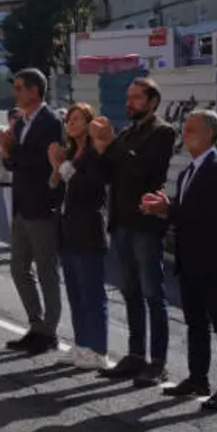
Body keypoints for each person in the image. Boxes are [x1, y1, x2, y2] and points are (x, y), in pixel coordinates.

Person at [140, 110, 217, 411]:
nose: (185, 134)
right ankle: (198, 377)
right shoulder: (187, 172)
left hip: (213, 258)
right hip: (189, 258)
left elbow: (209, 214)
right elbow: (183, 213)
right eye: (185, 128)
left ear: (210, 133)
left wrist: (168, 209)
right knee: (195, 322)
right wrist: (163, 209)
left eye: (192, 129)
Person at [91, 77, 177, 386]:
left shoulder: (163, 132)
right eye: (128, 97)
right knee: (130, 292)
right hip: (122, 222)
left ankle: (157, 361)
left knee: (153, 293)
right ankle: (135, 354)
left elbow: (142, 169)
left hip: (145, 224)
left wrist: (110, 145)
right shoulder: (126, 134)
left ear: (152, 102)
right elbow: (106, 174)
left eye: (136, 98)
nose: (129, 103)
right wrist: (101, 148)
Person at [0, 69, 64, 355]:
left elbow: (44, 163)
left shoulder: (51, 122)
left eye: (20, 87)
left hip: (42, 206)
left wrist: (12, 150)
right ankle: (36, 324)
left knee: (47, 270)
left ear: (35, 91)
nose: (16, 92)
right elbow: (15, 164)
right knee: (18, 267)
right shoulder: (23, 123)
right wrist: (8, 151)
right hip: (22, 206)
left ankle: (49, 331)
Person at [48, 103, 109, 370]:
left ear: (89, 122)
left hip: (88, 229)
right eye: (68, 120)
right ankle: (82, 344)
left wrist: (63, 169)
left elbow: (94, 184)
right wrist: (56, 167)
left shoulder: (95, 153)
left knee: (92, 292)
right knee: (74, 292)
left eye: (76, 119)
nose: (70, 124)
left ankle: (99, 350)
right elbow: (54, 185)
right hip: (67, 229)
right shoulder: (70, 152)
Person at [0, 108, 22, 223]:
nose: (18, 120)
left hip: (25, 178)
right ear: (9, 120)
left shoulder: (27, 134)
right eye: (15, 117)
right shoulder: (4, 135)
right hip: (9, 178)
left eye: (21, 117)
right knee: (11, 213)